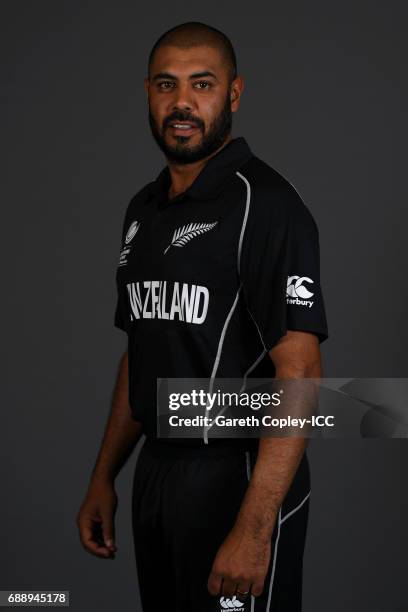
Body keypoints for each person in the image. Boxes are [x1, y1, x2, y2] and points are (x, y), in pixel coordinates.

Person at [76, 21, 329, 612]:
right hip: (159, 476)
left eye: (202, 84)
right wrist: (103, 476)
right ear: (147, 93)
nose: (182, 102)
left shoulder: (266, 205)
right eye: (167, 84)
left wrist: (254, 525)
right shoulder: (143, 209)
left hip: (238, 475)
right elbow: (141, 350)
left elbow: (302, 370)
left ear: (233, 94)